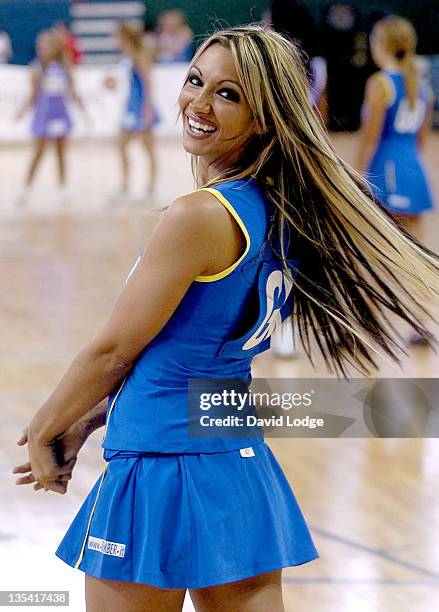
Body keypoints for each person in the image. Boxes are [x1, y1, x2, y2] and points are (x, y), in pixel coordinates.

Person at [12, 25, 439, 612]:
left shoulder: (200, 217)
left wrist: (44, 428)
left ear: (265, 117)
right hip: (235, 464)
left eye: (229, 94)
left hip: (157, 471)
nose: (199, 102)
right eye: (195, 81)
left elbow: (112, 351)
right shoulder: (285, 210)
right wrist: (92, 418)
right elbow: (194, 350)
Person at [357, 15, 436, 345]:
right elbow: (421, 137)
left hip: (386, 168)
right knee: (416, 251)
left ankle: (364, 323)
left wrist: (357, 176)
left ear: (382, 44)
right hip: (413, 168)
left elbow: (371, 136)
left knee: (370, 247)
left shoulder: (380, 82)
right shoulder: (423, 83)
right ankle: (421, 320)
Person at [15, 29, 85, 205]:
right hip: (43, 117)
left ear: (55, 47)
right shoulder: (37, 68)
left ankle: (63, 189)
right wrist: (22, 110)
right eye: (40, 46)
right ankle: (25, 189)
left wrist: (84, 111)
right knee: (38, 154)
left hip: (60, 115)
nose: (42, 49)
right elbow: (33, 95)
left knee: (61, 154)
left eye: (46, 46)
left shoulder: (64, 66)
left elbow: (72, 91)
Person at [106, 22, 159, 204]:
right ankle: (125, 186)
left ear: (125, 36)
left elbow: (147, 82)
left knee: (148, 147)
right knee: (121, 145)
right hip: (132, 106)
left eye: (117, 36)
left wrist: (147, 108)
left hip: (140, 106)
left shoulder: (138, 55)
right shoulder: (127, 55)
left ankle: (150, 189)